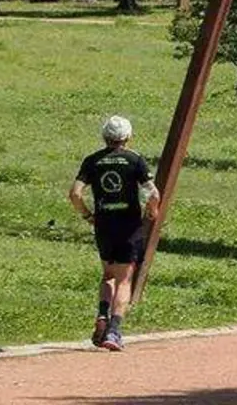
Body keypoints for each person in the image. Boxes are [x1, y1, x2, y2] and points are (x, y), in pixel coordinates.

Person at [68, 115, 160, 352]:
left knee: (108, 274)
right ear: (128, 137)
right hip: (129, 226)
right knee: (124, 278)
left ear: (104, 136)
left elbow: (75, 194)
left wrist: (88, 216)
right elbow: (153, 194)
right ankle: (115, 330)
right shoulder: (135, 160)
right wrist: (152, 211)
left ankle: (101, 316)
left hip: (104, 225)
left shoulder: (92, 161)